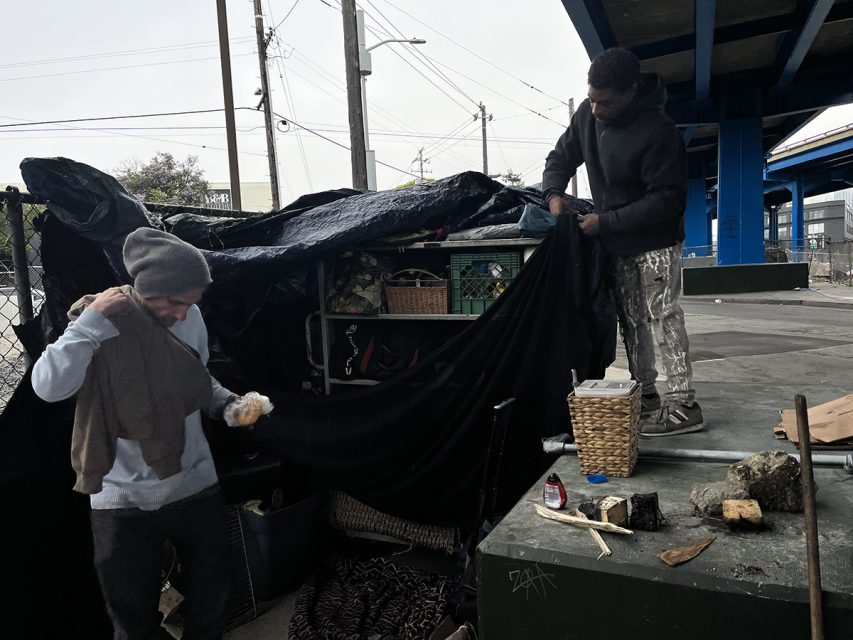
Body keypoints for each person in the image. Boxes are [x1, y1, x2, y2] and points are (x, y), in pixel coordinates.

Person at [32, 227, 262, 639]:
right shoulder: (102, 322)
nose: (182, 313)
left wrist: (229, 405)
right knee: (131, 616)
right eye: (175, 302)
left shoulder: (189, 318)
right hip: (122, 498)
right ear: (148, 287)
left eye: (191, 304)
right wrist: (88, 325)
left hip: (195, 485)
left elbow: (197, 380)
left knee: (211, 603)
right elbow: (48, 387)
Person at [541, 47, 703, 436]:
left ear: (631, 91)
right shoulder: (587, 114)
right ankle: (645, 394)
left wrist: (606, 221)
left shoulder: (659, 131)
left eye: (606, 103)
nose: (597, 110)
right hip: (615, 240)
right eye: (593, 99)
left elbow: (669, 199)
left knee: (662, 315)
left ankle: (683, 404)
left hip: (656, 242)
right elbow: (560, 157)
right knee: (631, 320)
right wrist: (553, 194)